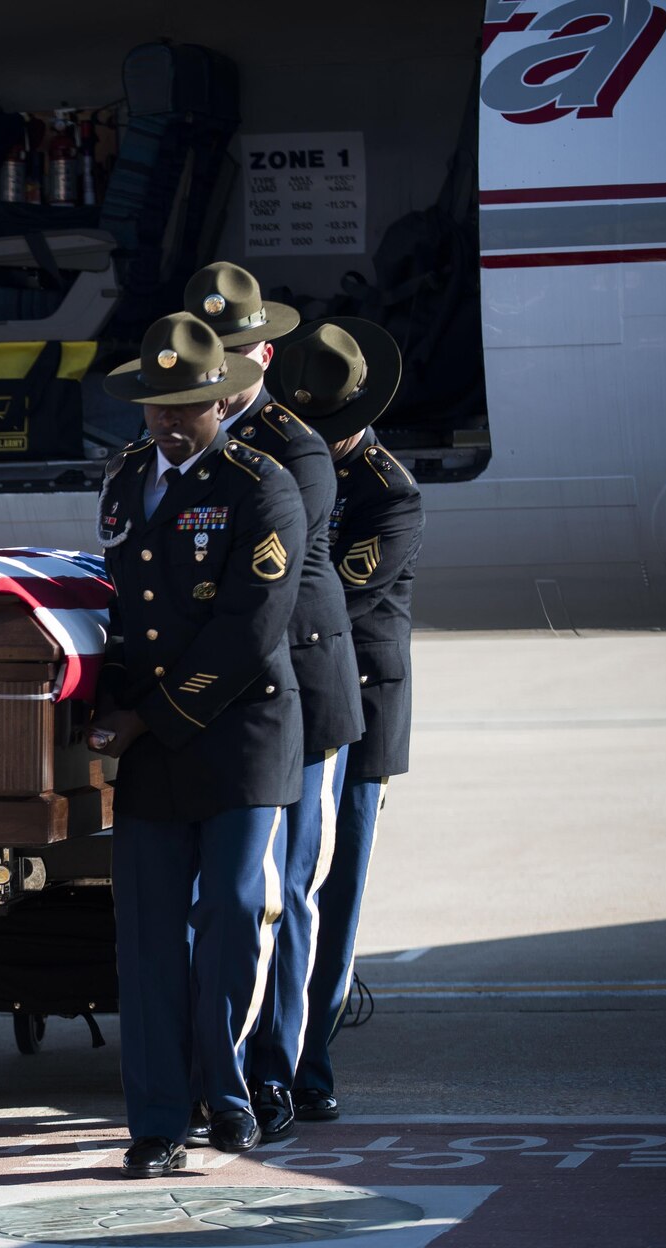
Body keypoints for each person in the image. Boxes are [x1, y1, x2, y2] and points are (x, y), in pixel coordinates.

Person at [85, 313, 305, 1175]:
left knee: (229, 917)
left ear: (221, 401)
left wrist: (150, 716)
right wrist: (96, 706)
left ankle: (230, 1095)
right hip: (150, 743)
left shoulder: (262, 484)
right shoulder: (126, 477)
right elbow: (117, 608)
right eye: (158, 405)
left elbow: (251, 628)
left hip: (237, 735)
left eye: (192, 404)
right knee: (144, 934)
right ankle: (156, 1119)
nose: (172, 421)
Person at [185, 261, 364, 1141]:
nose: (219, 364)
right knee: (229, 892)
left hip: (300, 691)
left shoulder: (294, 446)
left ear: (263, 351)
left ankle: (281, 1066)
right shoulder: (184, 442)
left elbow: (266, 583)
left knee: (290, 890)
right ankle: (220, 1057)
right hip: (230, 691)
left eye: (232, 349)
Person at [268, 318, 420, 1121]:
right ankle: (270, 1041)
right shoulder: (285, 461)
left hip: (352, 707)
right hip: (285, 701)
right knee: (281, 887)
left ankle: (312, 1060)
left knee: (334, 890)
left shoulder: (387, 492)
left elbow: (331, 597)